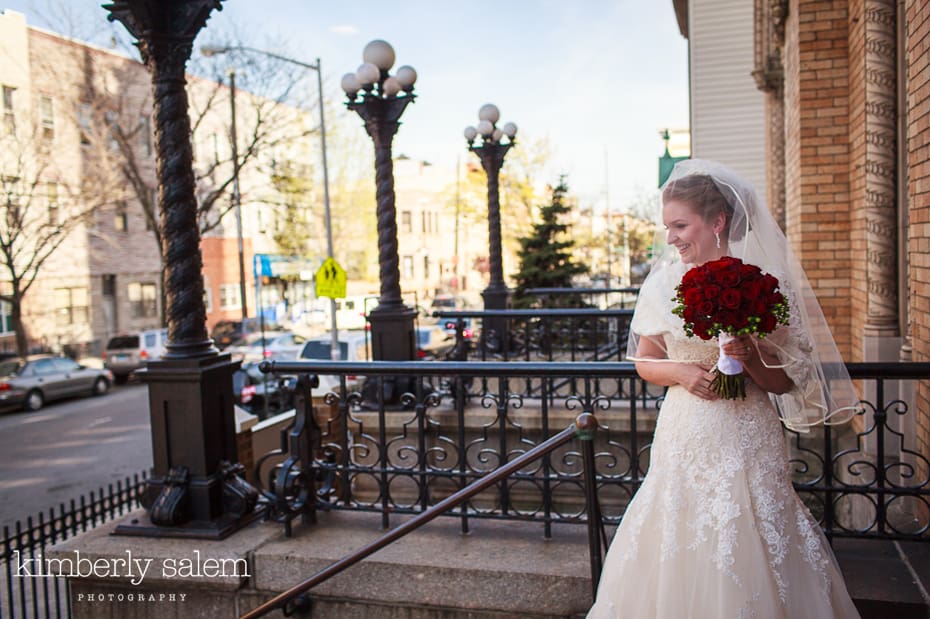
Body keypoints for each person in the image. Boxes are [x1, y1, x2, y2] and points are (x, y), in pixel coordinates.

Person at [587, 159, 861, 618]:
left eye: (680, 225)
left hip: (748, 432)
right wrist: (681, 374)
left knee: (754, 529)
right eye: (667, 227)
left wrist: (751, 355)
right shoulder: (661, 284)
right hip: (686, 429)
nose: (671, 237)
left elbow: (784, 380)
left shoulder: (766, 284)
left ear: (717, 222)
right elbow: (645, 362)